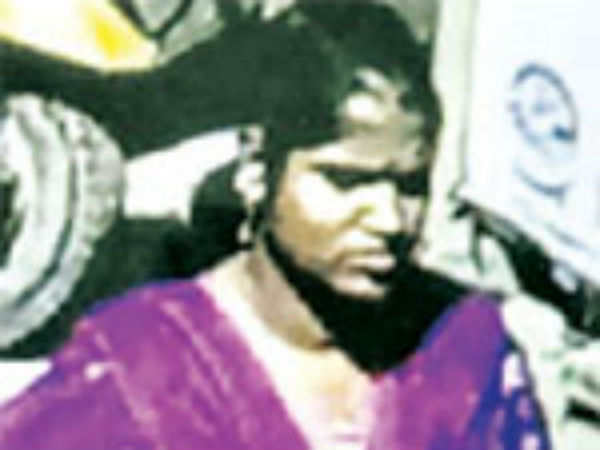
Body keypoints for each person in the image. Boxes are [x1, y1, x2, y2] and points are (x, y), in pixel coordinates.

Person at [0, 4, 549, 450]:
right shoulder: (139, 375)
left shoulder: (464, 348)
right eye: (346, 180)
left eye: (410, 185)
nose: (388, 220)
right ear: (259, 171)